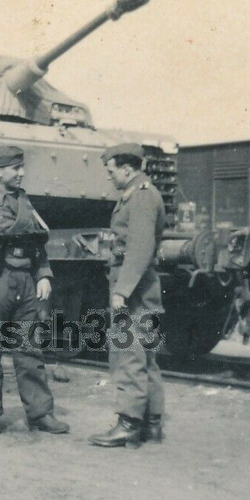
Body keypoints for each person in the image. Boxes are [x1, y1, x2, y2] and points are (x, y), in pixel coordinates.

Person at [0, 145, 69, 435]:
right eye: (15, 168)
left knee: (30, 350)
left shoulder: (24, 202)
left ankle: (40, 413)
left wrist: (44, 275)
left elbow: (37, 243)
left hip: (26, 283)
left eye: (22, 167)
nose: (21, 173)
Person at [88, 143, 167, 448]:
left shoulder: (142, 196)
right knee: (145, 354)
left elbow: (140, 247)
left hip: (133, 287)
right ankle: (151, 422)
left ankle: (129, 424)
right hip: (141, 286)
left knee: (129, 352)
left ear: (127, 168)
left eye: (111, 170)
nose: (109, 176)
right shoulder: (139, 194)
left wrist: (122, 290)